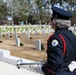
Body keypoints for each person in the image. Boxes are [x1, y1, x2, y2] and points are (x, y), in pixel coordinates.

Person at [41, 6, 76, 75]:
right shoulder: (72, 36)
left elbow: (55, 62)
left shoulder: (56, 38)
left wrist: (43, 69)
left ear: (55, 22)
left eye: (52, 19)